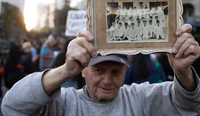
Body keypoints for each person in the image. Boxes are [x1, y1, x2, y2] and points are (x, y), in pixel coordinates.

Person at [1, 24, 200, 115]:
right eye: (98, 70)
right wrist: (65, 70)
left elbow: (188, 105)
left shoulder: (140, 98)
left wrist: (182, 71)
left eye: (115, 72)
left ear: (125, 71)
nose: (107, 80)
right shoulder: (63, 103)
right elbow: (10, 107)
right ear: (83, 70)